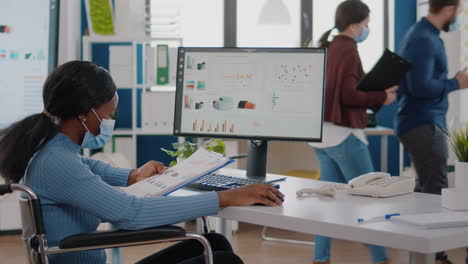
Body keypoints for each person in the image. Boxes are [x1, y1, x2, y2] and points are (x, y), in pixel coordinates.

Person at [0, 60, 284, 264]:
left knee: (215, 243)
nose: (110, 121)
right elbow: (132, 213)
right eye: (108, 115)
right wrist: (225, 197)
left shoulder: (49, 148)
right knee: (222, 260)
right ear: (86, 114)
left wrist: (132, 176)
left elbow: (90, 169)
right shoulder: (57, 162)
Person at [309, 1, 398, 263]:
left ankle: (320, 258)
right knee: (370, 200)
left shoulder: (329, 47)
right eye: (367, 25)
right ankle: (382, 259)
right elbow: (348, 95)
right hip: (344, 135)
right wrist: (382, 96)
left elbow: (339, 88)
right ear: (354, 25)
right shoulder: (348, 49)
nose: (366, 29)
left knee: (328, 204)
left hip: (323, 136)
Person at [396, 0, 468, 263]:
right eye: (459, 10)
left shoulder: (421, 33)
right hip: (423, 124)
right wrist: (456, 83)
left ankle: (426, 253)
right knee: (436, 191)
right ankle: (435, 255)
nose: (459, 16)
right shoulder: (424, 39)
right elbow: (421, 87)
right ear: (449, 9)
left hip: (421, 122)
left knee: (426, 190)